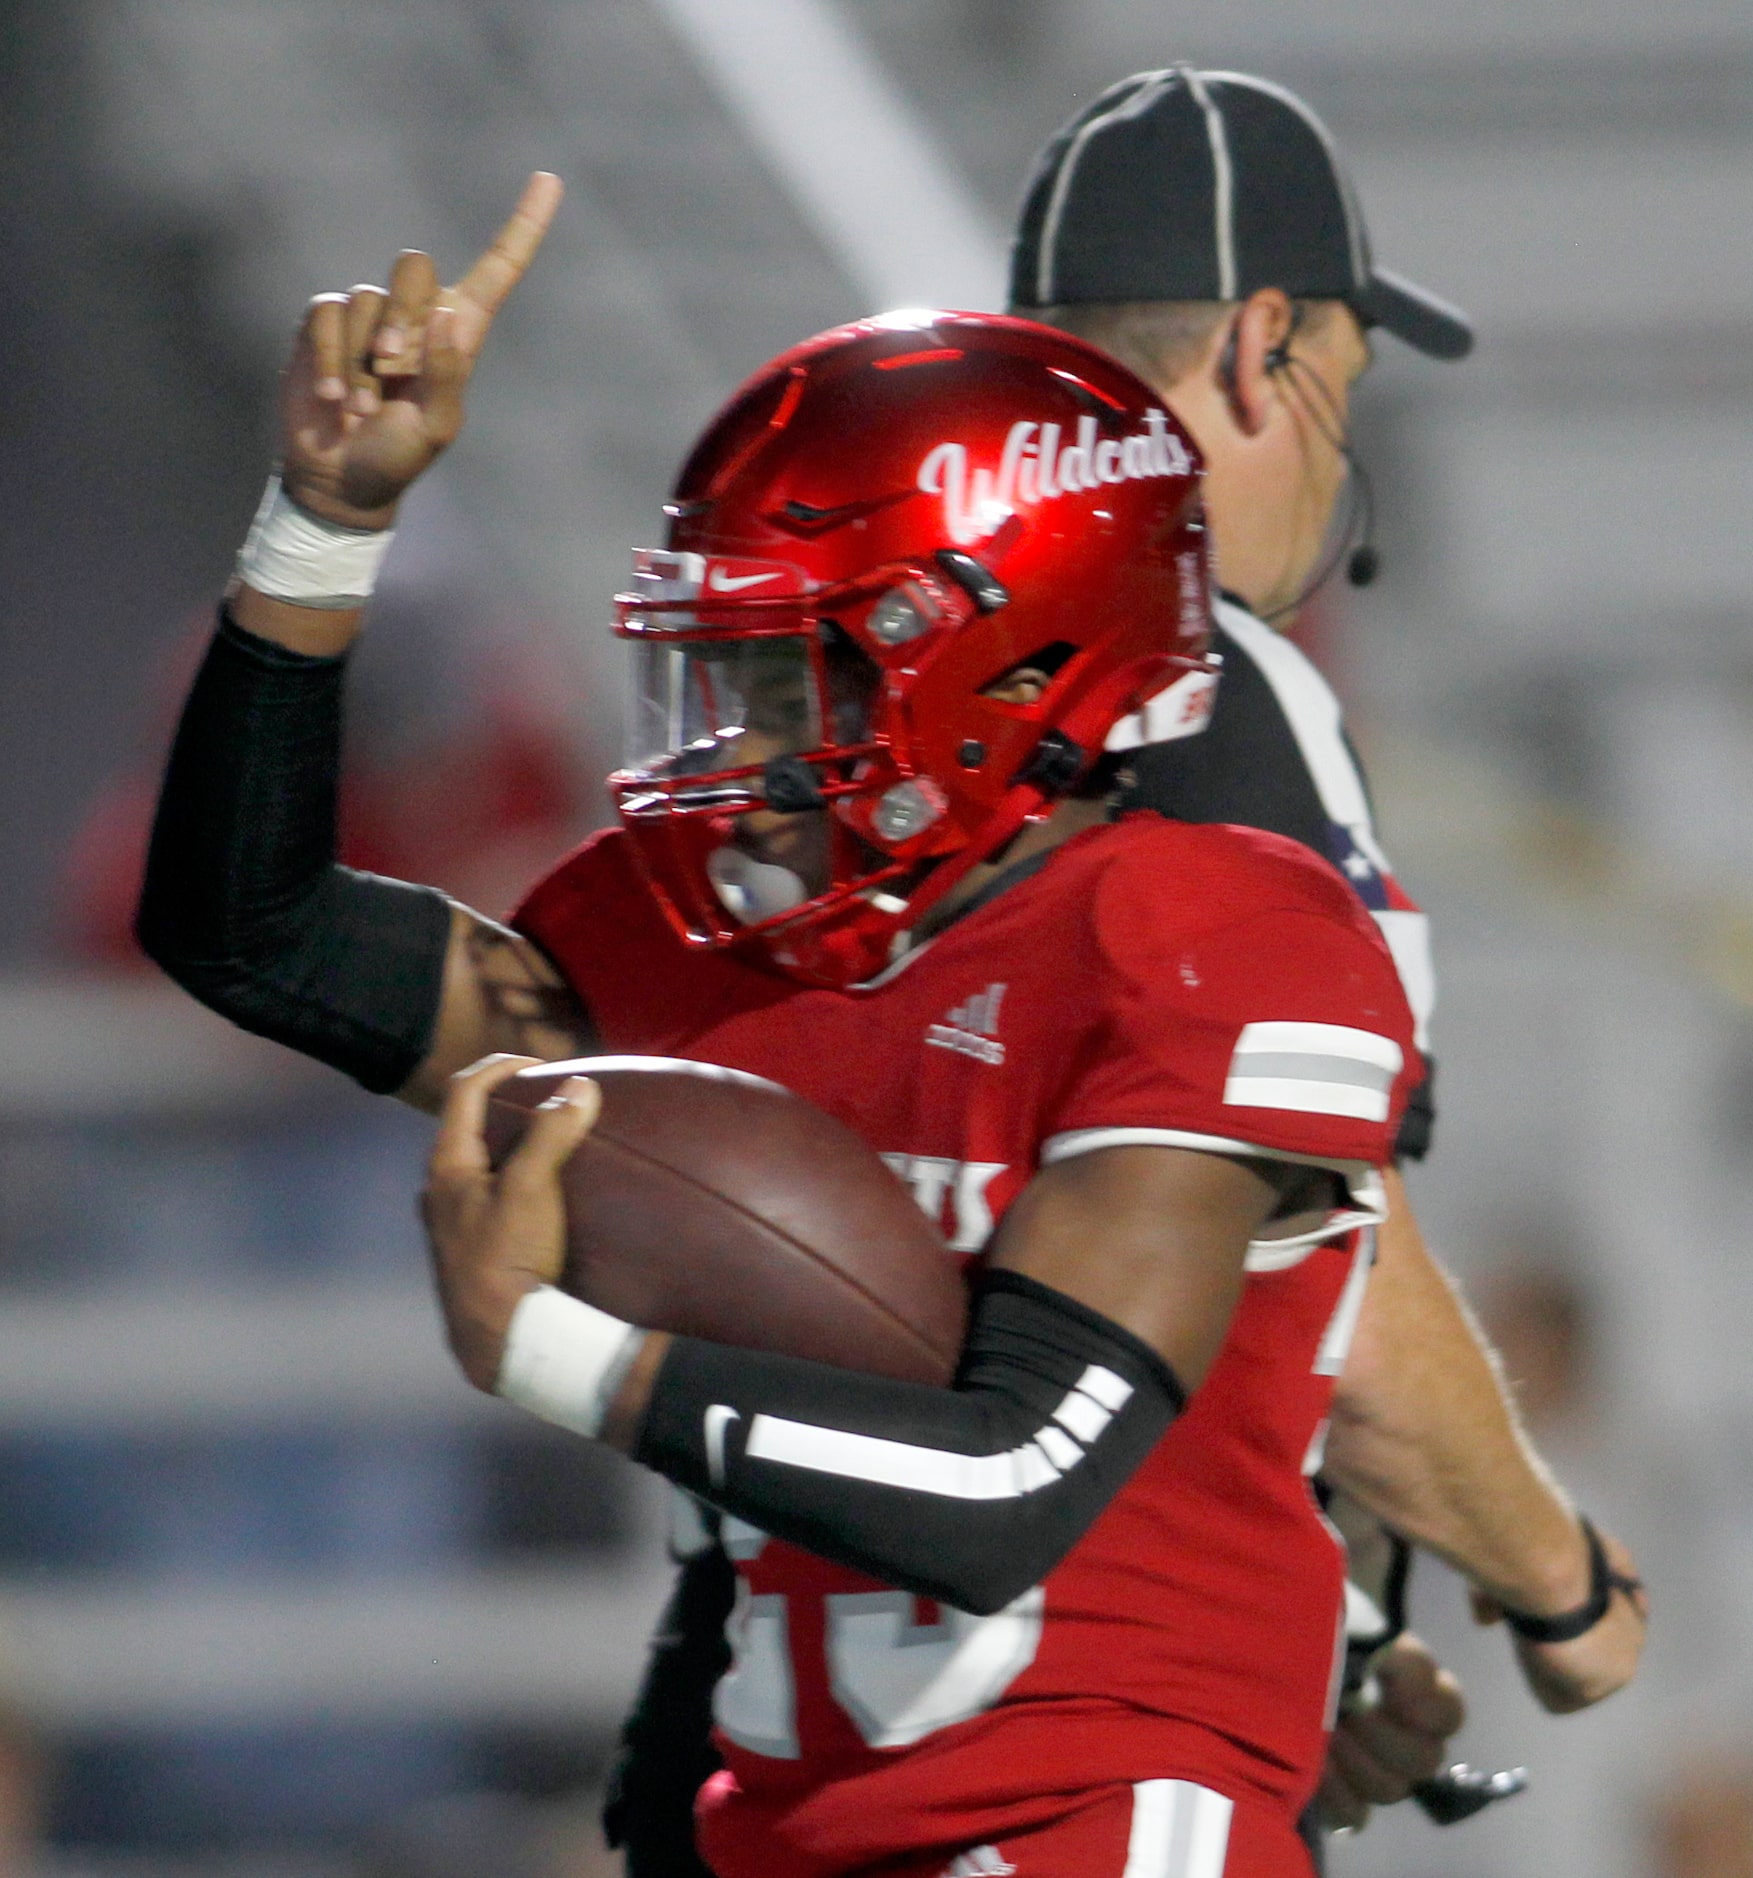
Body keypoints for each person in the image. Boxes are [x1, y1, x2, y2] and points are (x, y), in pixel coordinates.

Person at [132, 164, 1641, 1874]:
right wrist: (323, 521)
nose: (743, 761)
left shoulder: (1205, 934)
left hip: (1095, 1825)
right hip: (797, 1824)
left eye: (801, 684)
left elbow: (1008, 1489)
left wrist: (549, 1351)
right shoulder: (700, 944)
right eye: (728, 679)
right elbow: (245, 930)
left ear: (1013, 660)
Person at [604, 67, 1644, 1871]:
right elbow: (1334, 1280)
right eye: (1348, 375)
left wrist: (1332, 1644)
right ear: (1266, 349)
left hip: (811, 1677)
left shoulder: (910, 675)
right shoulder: (1208, 694)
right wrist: (1555, 1582)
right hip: (1047, 1744)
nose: (1341, 442)